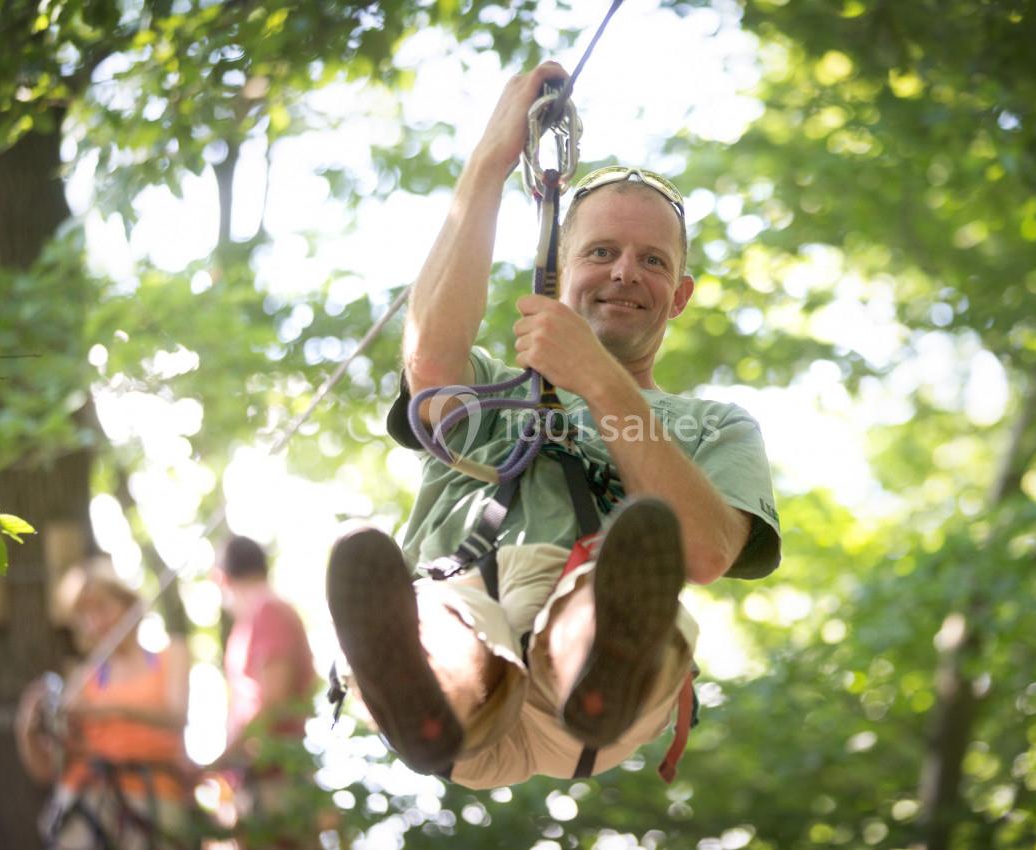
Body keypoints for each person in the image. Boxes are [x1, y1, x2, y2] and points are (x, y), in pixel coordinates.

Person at [326, 61, 781, 789]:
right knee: (450, 617)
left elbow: (702, 551)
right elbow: (430, 362)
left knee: (607, 589)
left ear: (681, 295)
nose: (625, 272)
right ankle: (430, 695)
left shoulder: (713, 427)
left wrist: (597, 380)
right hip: (464, 610)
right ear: (559, 267)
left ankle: (593, 664)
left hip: (593, 688)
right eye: (601, 252)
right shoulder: (490, 391)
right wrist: (490, 162)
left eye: (652, 260)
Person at [15, 562, 195, 849]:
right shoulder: (84, 679)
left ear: (127, 604)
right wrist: (28, 728)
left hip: (153, 802)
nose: (95, 622)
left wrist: (110, 711)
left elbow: (177, 717)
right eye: (83, 615)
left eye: (101, 608)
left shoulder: (170, 656)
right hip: (88, 804)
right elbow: (49, 770)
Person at [211, 535, 317, 847]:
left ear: (221, 578)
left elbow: (274, 703)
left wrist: (222, 760)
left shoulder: (268, 613)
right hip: (257, 782)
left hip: (277, 784)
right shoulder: (255, 620)